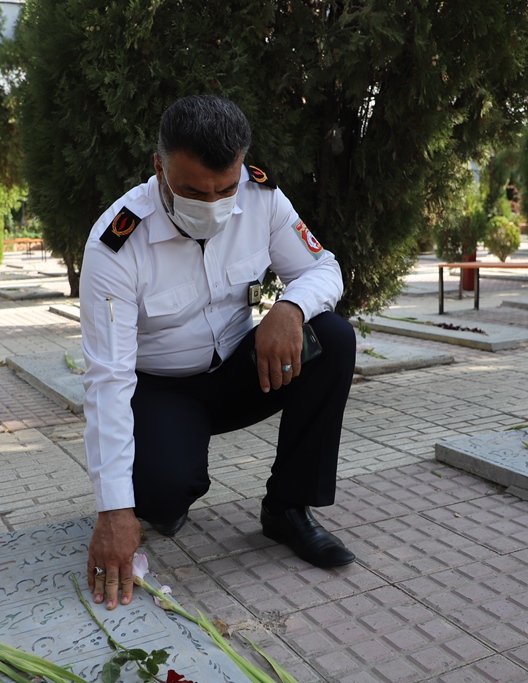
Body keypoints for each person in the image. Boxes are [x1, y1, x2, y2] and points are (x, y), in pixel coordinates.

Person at [80, 95, 356, 610]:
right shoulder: (116, 244)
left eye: (225, 189)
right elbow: (108, 378)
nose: (212, 204)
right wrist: (113, 510)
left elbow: (324, 268)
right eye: (193, 191)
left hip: (240, 370)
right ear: (159, 168)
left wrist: (290, 307)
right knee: (159, 496)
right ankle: (168, 482)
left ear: (241, 169)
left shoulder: (262, 198)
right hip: (162, 388)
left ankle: (287, 509)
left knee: (333, 340)